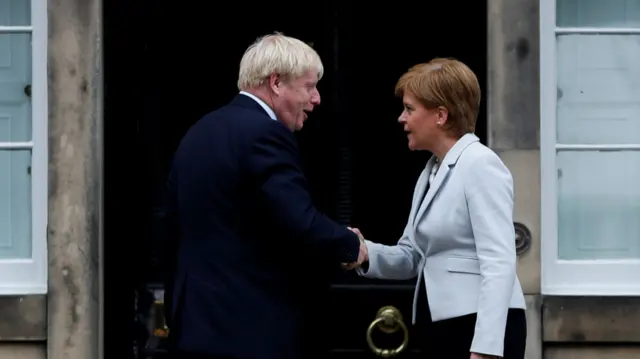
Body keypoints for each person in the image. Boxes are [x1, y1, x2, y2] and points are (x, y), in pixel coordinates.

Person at [157, 32, 366, 359]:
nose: (317, 99)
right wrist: (352, 244)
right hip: (246, 330)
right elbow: (298, 220)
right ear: (276, 83)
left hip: (193, 326)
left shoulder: (201, 130)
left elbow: (172, 232)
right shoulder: (264, 134)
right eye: (309, 87)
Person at [348, 58, 527, 359]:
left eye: (409, 108)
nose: (401, 119)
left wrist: (486, 348)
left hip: (478, 329)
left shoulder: (480, 163)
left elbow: (499, 259)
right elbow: (412, 256)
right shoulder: (432, 171)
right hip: (441, 326)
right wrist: (365, 253)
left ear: (441, 115)